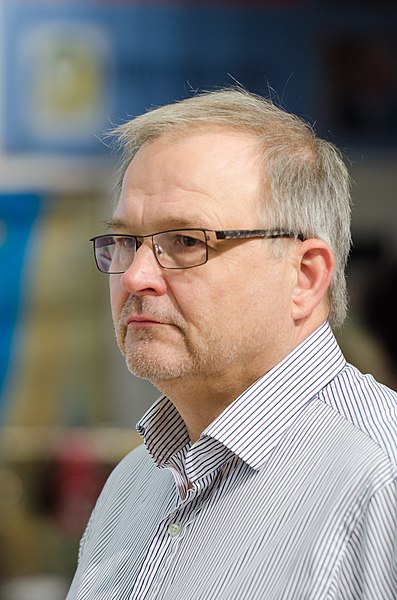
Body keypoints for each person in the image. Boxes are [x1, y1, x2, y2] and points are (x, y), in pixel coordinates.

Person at [67, 88, 397, 599]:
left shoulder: (380, 480)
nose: (135, 276)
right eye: (126, 242)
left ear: (305, 278)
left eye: (185, 241)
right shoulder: (134, 483)